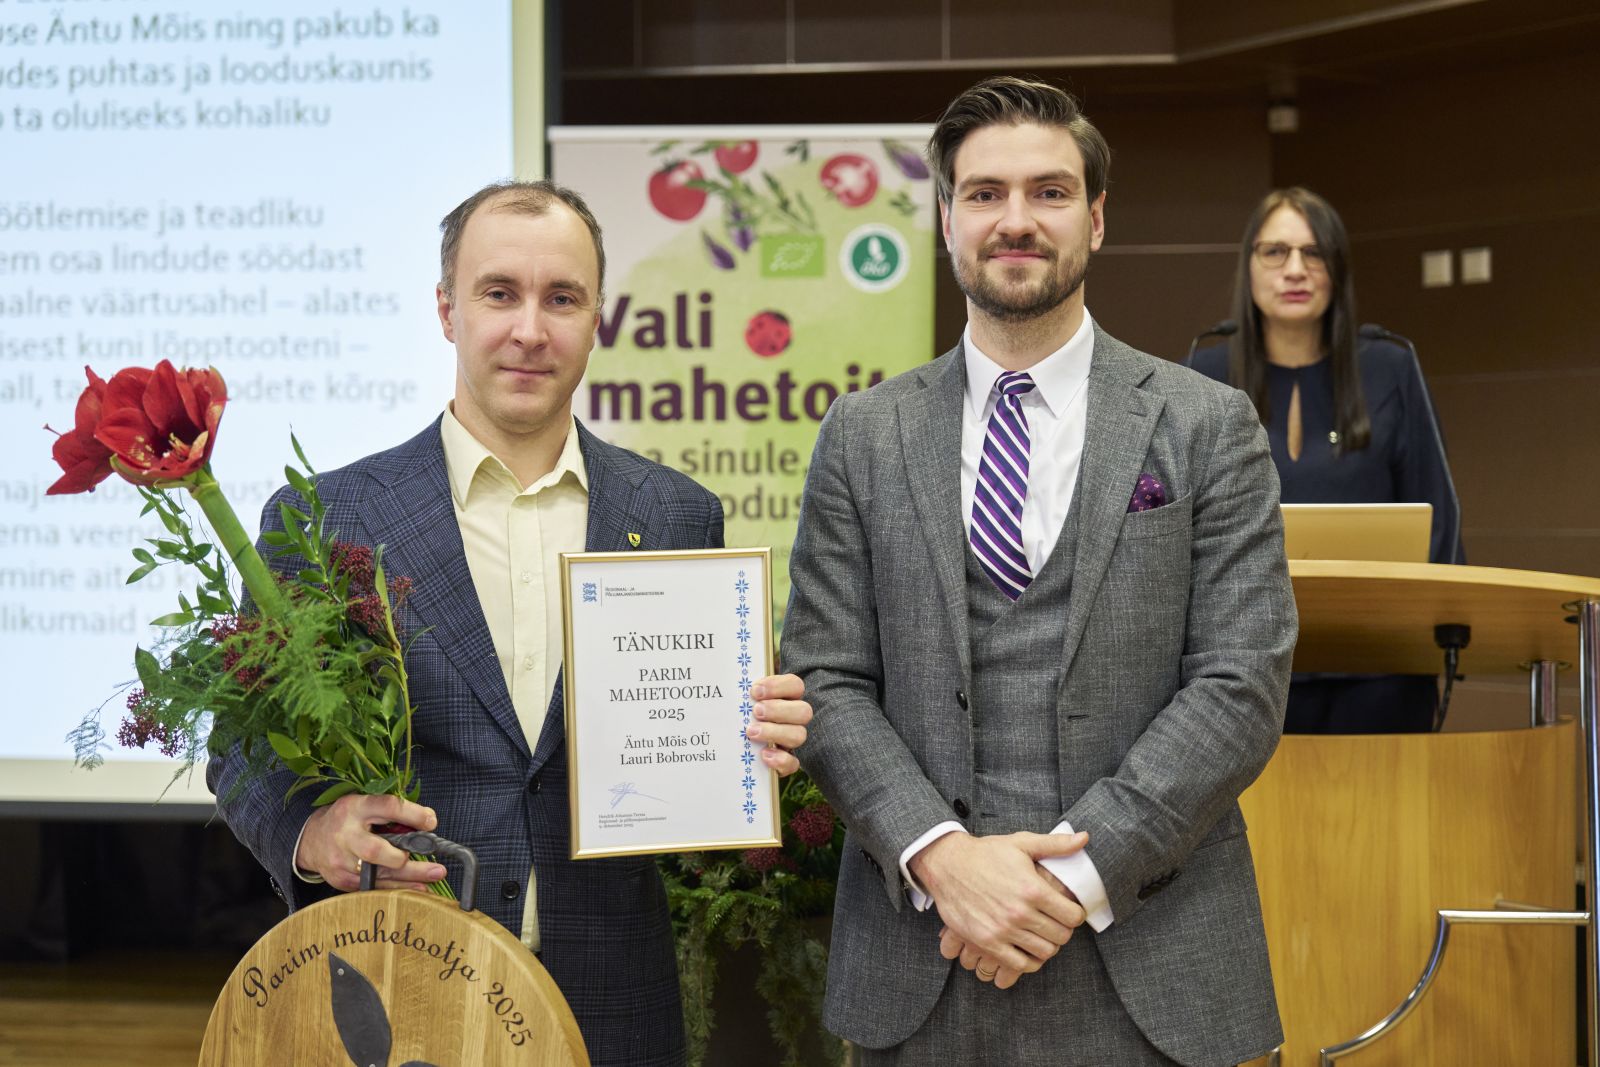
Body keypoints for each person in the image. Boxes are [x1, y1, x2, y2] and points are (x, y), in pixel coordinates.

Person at [208, 179, 813, 1067]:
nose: (531, 329)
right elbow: (243, 744)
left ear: (597, 319)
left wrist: (761, 741)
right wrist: (309, 829)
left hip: (616, 996)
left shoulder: (677, 515)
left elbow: (696, 757)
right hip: (399, 977)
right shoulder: (329, 516)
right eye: (500, 293)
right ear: (447, 310)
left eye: (561, 298)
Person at [782, 76, 1295, 1066]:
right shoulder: (861, 434)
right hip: (922, 958)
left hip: (1154, 961)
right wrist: (944, 857)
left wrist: (1067, 878)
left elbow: (1241, 680)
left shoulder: (1205, 423)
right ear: (945, 218)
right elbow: (826, 675)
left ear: (1096, 219)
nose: (1015, 220)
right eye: (984, 194)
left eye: (1049, 192)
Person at [1188, 186, 1463, 733]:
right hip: (1243, 675)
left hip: (1381, 670)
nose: (1295, 269)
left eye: (1314, 254)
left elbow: (1441, 521)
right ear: (1249, 268)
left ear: (1336, 269)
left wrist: (1427, 635)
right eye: (1276, 252)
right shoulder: (1204, 373)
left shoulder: (1390, 366)